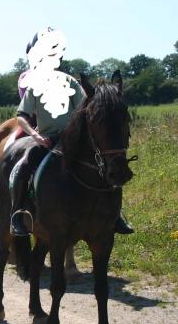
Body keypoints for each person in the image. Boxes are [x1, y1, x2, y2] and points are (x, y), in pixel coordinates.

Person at [9, 28, 134, 237]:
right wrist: (35, 135)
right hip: (47, 139)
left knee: (105, 166)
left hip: (72, 139)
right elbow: (21, 116)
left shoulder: (70, 82)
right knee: (24, 166)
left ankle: (116, 214)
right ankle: (18, 213)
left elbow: (85, 107)